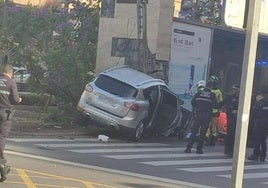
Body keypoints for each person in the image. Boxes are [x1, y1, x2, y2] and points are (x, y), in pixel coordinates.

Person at [0, 64, 22, 181]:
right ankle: (1, 160)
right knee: (2, 136)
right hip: (4, 113)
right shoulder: (11, 82)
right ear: (11, 73)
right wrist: (19, 99)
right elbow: (15, 99)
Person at [184, 82, 218, 154]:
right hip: (207, 115)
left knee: (194, 131)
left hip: (198, 114)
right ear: (211, 87)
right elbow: (216, 106)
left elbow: (193, 102)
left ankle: (188, 148)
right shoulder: (212, 95)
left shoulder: (199, 93)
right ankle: (199, 149)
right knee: (203, 133)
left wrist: (198, 106)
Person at [247, 93, 268, 162]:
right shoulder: (266, 103)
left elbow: (254, 114)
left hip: (258, 124)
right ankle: (263, 156)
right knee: (263, 141)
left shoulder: (258, 104)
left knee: (257, 140)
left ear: (258, 96)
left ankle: (256, 154)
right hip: (266, 125)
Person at [222, 85, 240, 157]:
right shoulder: (229, 97)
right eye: (233, 89)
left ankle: (234, 149)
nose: (233, 91)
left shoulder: (242, 97)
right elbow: (223, 103)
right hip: (231, 118)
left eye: (235, 89)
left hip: (239, 119)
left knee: (237, 135)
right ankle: (228, 149)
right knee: (230, 133)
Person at [205, 75, 223, 146]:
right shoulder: (219, 92)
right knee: (214, 126)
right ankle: (213, 141)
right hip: (216, 112)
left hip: (209, 111)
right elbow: (221, 101)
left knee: (207, 126)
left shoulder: (209, 91)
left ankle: (207, 140)